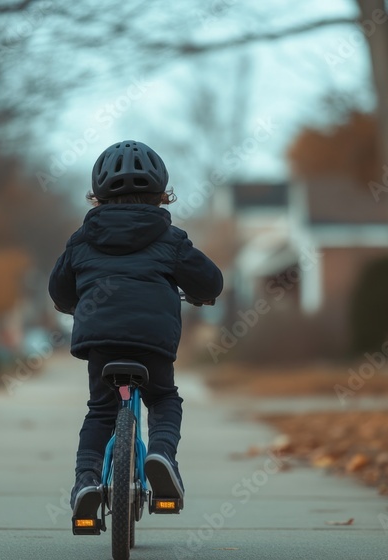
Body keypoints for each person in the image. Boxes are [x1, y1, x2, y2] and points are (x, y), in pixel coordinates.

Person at [48, 140, 224, 523]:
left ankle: (86, 482)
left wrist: (73, 303)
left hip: (100, 341)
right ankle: (162, 455)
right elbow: (209, 283)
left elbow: (58, 291)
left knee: (100, 410)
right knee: (163, 399)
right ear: (162, 195)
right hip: (152, 340)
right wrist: (200, 294)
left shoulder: (81, 240)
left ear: (97, 196)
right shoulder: (170, 240)